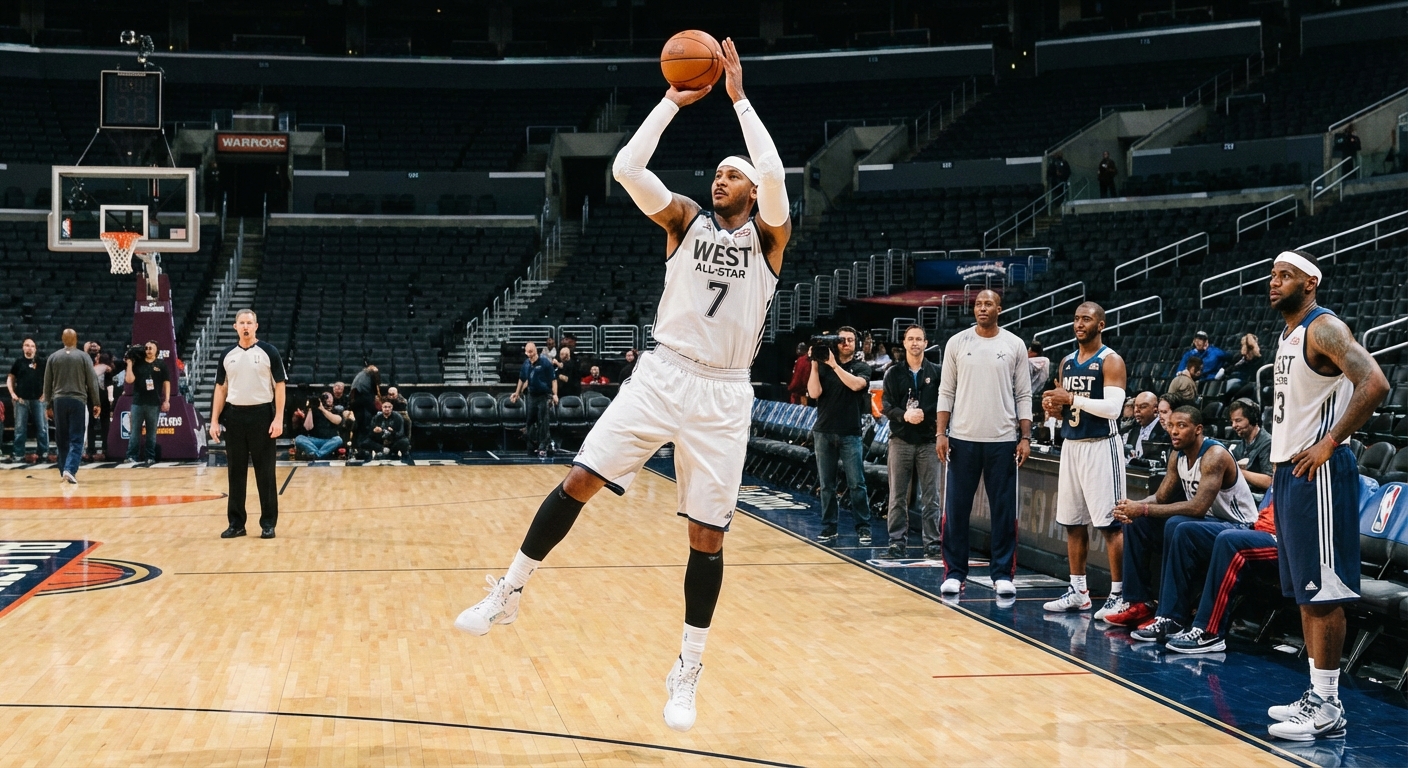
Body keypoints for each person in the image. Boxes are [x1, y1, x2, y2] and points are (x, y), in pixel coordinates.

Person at [455, 38, 790, 734]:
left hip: (724, 394)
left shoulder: (769, 241)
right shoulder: (683, 221)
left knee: (707, 537)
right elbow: (626, 166)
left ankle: (688, 667)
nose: (720, 178)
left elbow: (779, 174)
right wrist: (672, 99)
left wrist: (738, 99)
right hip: (663, 372)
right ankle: (509, 590)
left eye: (733, 174)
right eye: (719, 172)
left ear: (754, 190)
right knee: (577, 479)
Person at [1261, 250, 1386, 741]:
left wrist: (1330, 443)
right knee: (1306, 593)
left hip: (1322, 472)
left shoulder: (1323, 327)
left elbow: (1374, 382)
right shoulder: (1290, 332)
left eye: (1285, 275)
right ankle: (1317, 693)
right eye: (1272, 275)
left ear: (1310, 283)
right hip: (1290, 471)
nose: (1274, 283)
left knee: (1325, 591)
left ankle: (1330, 707)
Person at [1104, 406, 1258, 639]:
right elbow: (1161, 497)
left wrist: (1143, 508)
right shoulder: (1178, 455)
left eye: (1181, 426)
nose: (1173, 431)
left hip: (1239, 527)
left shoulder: (1214, 455)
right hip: (1207, 524)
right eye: (1171, 426)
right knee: (1138, 522)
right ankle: (1138, 603)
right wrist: (1132, 507)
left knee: (1178, 524)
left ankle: (1170, 618)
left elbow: (1197, 507)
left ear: (1198, 430)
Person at [936, 289, 1032, 596]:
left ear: (999, 309)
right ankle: (955, 572)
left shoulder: (1014, 344)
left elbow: (1024, 394)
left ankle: (1002, 574)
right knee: (956, 509)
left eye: (988, 303)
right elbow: (945, 391)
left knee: (1003, 511)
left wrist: (1026, 436)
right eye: (978, 303)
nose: (982, 308)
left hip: (1003, 440)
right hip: (961, 438)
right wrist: (941, 432)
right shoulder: (957, 342)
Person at [1041, 302, 1128, 619]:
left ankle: (1119, 595)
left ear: (1101, 324)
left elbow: (1113, 409)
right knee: (1072, 522)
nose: (1079, 323)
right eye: (1076, 318)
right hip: (1072, 446)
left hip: (1102, 447)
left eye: (1086, 319)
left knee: (1110, 524)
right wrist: (1053, 410)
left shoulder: (1110, 360)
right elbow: (1065, 409)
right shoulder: (1066, 362)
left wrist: (1071, 399)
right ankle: (1078, 591)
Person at [1165, 492, 1279, 654]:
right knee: (1185, 530)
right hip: (1257, 527)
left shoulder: (1311, 472)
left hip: (1284, 540)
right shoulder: (1281, 470)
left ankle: (1209, 632)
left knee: (1229, 540)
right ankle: (1170, 620)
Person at [210, 309, 287, 540]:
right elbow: (220, 388)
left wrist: (278, 418)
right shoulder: (227, 354)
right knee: (235, 472)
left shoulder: (268, 352)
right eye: (241, 322)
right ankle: (236, 524)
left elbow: (280, 386)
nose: (245, 326)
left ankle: (268, 523)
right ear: (235, 326)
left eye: (249, 322)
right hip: (234, 417)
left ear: (256, 326)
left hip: (262, 416)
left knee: (265, 473)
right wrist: (214, 420)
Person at [808, 327, 873, 545]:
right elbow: (814, 393)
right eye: (841, 339)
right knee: (826, 485)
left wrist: (834, 365)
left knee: (857, 484)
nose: (846, 343)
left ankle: (863, 527)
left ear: (856, 344)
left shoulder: (861, 367)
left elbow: (857, 385)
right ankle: (829, 527)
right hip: (824, 431)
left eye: (850, 340)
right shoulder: (823, 368)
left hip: (850, 433)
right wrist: (816, 365)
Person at [881, 325, 941, 560]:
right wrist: (903, 415)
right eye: (910, 339)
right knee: (897, 495)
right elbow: (885, 405)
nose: (915, 343)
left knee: (931, 496)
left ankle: (933, 543)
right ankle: (897, 541)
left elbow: (945, 402)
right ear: (904, 343)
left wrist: (926, 416)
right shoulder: (893, 373)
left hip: (928, 441)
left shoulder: (937, 371)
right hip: (901, 440)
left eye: (919, 339)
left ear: (926, 343)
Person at [42, 329, 101, 484]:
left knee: (62, 438)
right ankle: (70, 469)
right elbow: (92, 382)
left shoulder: (53, 357)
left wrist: (47, 405)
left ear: (62, 339)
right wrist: (96, 402)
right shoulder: (84, 356)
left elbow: (47, 385)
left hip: (59, 401)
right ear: (77, 339)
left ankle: (64, 470)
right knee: (76, 438)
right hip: (77, 401)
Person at [123, 340, 171, 466]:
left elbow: (167, 383)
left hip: (153, 403)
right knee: (134, 431)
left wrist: (166, 400)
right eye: (147, 348)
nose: (148, 350)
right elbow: (129, 380)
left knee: (151, 433)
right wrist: (129, 364)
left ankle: (150, 456)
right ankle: (131, 456)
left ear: (156, 350)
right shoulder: (138, 363)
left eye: (151, 348)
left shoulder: (161, 364)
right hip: (138, 402)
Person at [510, 342, 558, 458]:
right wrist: (517, 393)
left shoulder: (545, 362)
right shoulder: (526, 364)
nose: (529, 354)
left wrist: (555, 394)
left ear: (535, 351)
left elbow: (553, 379)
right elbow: (521, 379)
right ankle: (531, 446)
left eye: (531, 351)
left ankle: (543, 446)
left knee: (543, 421)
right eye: (527, 352)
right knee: (530, 420)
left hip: (544, 395)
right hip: (531, 395)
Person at [7, 338, 48, 463]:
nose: (29, 348)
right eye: (27, 345)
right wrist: (12, 393)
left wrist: (46, 393)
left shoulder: (42, 362)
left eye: (32, 346)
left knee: (42, 428)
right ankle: (18, 453)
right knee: (20, 429)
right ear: (23, 347)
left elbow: (50, 379)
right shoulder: (18, 362)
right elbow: (10, 378)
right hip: (21, 400)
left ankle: (43, 453)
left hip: (38, 400)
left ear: (35, 348)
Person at [1227, 399, 1272, 493]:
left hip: (1262, 498)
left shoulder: (1267, 443)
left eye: (1238, 420)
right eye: (1232, 421)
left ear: (1252, 418)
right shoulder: (1241, 445)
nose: (1234, 425)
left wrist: (1237, 471)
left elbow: (1269, 481)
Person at [293, 391, 345, 460]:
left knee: (338, 439)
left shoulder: (335, 410)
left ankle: (316, 454)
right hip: (314, 441)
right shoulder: (314, 410)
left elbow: (338, 421)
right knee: (299, 438)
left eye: (329, 397)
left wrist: (322, 409)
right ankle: (319, 454)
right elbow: (308, 427)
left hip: (329, 441)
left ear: (333, 399)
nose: (328, 399)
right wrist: (310, 409)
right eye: (325, 397)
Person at [1123, 391, 1169, 461]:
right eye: (1135, 406)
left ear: (1155, 410)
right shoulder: (1133, 429)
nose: (1137, 410)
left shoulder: (1164, 431)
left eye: (1143, 407)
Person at [350, 364, 381, 458]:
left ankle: (357, 449)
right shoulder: (370, 376)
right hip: (363, 404)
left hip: (356, 404)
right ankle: (363, 451)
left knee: (359, 427)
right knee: (365, 428)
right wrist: (374, 410)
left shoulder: (361, 375)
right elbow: (371, 395)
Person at [1224, 333, 1262, 399]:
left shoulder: (1259, 357)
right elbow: (1229, 370)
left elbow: (1255, 373)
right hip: (1239, 381)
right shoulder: (1239, 357)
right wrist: (1242, 361)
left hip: (1252, 383)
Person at [1027, 340, 1050, 410]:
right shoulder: (1045, 360)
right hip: (1037, 390)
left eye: (1029, 350)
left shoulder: (1028, 362)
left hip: (1031, 390)